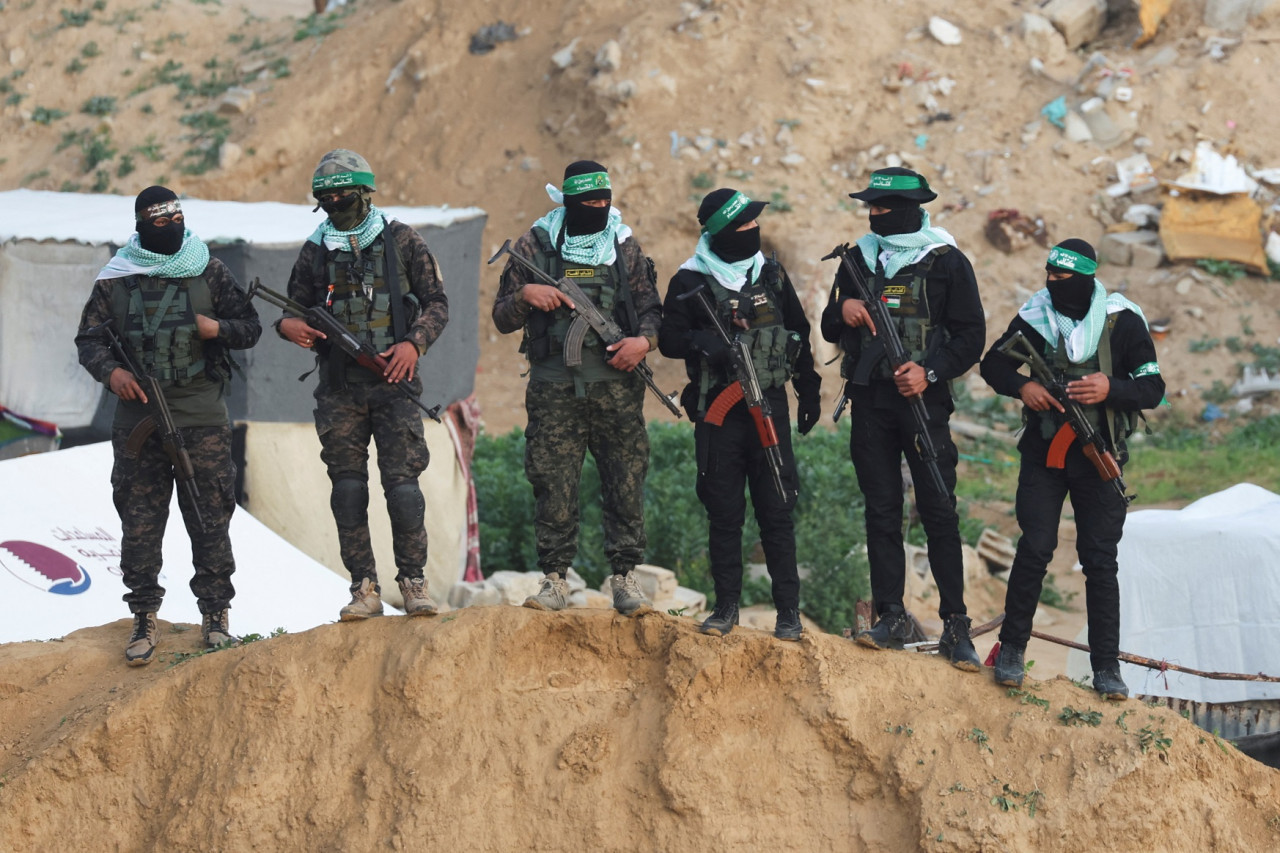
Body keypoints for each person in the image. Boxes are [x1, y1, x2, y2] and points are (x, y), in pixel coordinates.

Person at [75, 186, 262, 664]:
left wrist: (213, 329)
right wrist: (111, 373)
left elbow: (250, 327)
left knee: (209, 516)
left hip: (201, 416)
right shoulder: (116, 279)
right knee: (139, 522)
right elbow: (88, 340)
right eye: (161, 221)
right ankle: (142, 615)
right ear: (141, 226)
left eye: (177, 217)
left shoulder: (208, 269)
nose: (172, 226)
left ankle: (216, 613)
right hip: (139, 418)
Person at [980, 239, 1164, 700]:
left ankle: (1106, 667)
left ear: (1087, 278)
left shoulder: (1122, 319)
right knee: (1035, 548)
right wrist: (1023, 387)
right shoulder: (1038, 314)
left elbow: (1153, 387)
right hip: (1044, 456)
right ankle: (1012, 650)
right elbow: (993, 365)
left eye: (1063, 279)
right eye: (1049, 275)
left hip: (1098, 455)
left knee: (1100, 561)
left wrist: (1110, 388)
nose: (1053, 285)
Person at [819, 167, 986, 670]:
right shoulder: (858, 259)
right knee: (881, 510)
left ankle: (956, 625)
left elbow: (970, 336)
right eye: (870, 207)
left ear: (911, 209)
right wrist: (845, 307)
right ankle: (889, 615)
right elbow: (829, 324)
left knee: (939, 509)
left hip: (923, 404)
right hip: (871, 402)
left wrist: (930, 372)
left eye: (883, 208)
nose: (874, 216)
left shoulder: (946, 261)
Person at [278, 149, 449, 621]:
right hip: (338, 388)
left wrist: (414, 343)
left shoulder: (400, 240)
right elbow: (292, 309)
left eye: (343, 194)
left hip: (394, 382)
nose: (335, 201)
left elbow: (437, 301)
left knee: (403, 488)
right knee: (348, 489)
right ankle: (364, 587)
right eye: (326, 197)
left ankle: (413, 582)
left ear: (364, 191)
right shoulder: (316, 249)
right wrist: (288, 327)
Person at [492, 160, 660, 616]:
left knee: (625, 480)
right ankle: (555, 578)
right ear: (568, 203)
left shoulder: (622, 245)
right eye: (588, 203)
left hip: (617, 388)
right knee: (553, 483)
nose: (599, 209)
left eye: (604, 201)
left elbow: (651, 309)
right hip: (554, 390)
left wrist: (642, 343)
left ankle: (624, 577)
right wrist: (525, 297)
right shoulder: (535, 245)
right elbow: (501, 317)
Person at [657, 188, 821, 640]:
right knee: (724, 512)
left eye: (754, 224)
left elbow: (798, 333)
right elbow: (670, 339)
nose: (753, 230)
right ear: (721, 233)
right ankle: (726, 607)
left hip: (769, 407)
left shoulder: (770, 274)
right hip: (719, 412)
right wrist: (702, 343)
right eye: (743, 225)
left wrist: (809, 389)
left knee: (777, 510)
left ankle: (788, 612)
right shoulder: (689, 281)